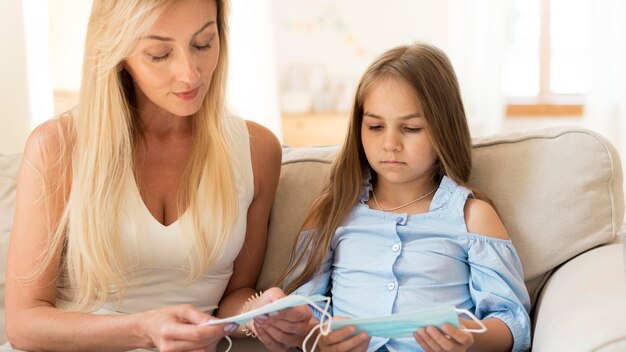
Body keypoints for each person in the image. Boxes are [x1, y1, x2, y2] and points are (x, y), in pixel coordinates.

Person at [4, 0, 311, 351]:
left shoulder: (257, 150)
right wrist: (142, 330)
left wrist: (259, 312)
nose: (191, 74)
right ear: (118, 53)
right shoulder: (59, 146)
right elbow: (24, 323)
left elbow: (234, 296)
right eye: (159, 54)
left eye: (203, 44)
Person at [272, 43, 532, 352]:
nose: (390, 143)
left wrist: (471, 340)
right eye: (375, 126)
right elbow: (303, 311)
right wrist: (315, 339)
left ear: (443, 129)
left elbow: (512, 321)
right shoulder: (333, 211)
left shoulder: (472, 216)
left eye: (410, 128)